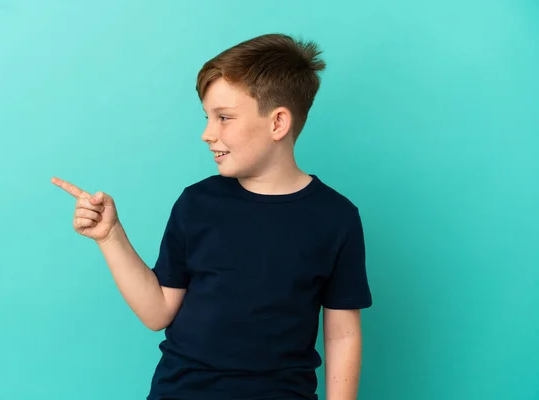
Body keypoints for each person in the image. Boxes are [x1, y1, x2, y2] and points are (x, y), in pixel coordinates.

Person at [52, 33, 372, 400]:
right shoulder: (196, 203)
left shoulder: (337, 218)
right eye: (207, 117)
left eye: (224, 118)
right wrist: (110, 237)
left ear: (277, 123)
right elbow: (157, 313)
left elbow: (343, 333)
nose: (207, 134)